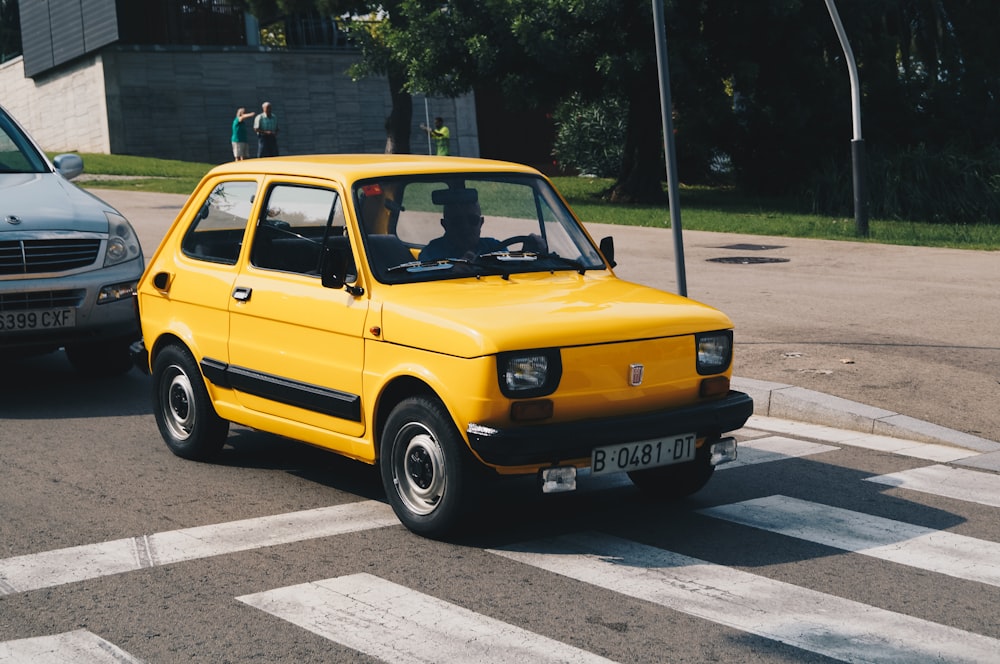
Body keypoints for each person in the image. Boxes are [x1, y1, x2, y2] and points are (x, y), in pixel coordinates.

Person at [419, 199, 502, 261]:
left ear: (481, 223)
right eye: (457, 221)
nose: (465, 226)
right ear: (445, 225)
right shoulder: (430, 253)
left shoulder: (496, 247)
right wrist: (451, 273)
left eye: (473, 220)